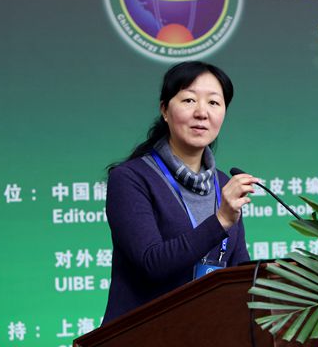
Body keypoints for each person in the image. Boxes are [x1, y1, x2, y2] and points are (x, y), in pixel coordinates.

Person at [102, 61, 258, 324]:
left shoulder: (223, 184)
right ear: (165, 110)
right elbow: (152, 263)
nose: (202, 113)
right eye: (189, 100)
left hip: (209, 332)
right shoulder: (130, 179)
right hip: (144, 333)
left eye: (214, 103)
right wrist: (220, 220)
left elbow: (239, 270)